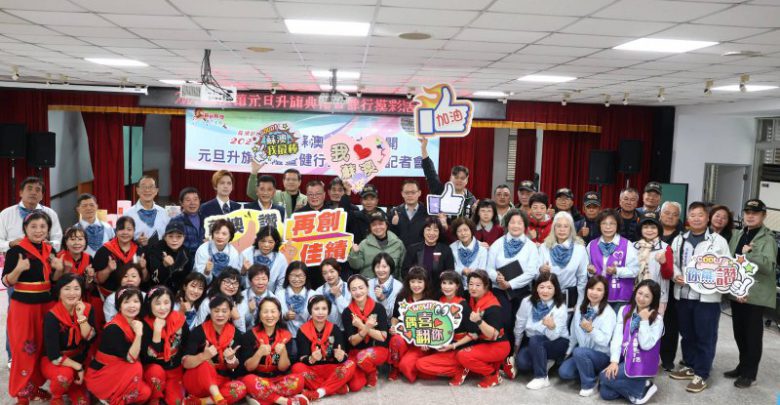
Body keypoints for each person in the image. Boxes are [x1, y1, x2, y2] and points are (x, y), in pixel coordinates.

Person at [2, 211, 64, 404]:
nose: (38, 230)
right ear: (25, 229)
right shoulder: (15, 251)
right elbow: (7, 281)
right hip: (23, 307)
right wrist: (18, 269)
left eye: (43, 226)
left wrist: (59, 269)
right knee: (23, 349)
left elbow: (53, 280)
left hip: (46, 305)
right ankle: (22, 394)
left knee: (42, 347)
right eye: (33, 226)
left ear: (48, 229)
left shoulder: (50, 250)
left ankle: (33, 388)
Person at [668, 202, 730, 392]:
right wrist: (675, 275)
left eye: (700, 215)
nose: (696, 218)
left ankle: (702, 374)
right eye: (692, 215)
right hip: (684, 295)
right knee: (687, 335)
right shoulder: (679, 239)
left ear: (707, 218)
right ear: (688, 218)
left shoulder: (718, 241)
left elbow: (726, 266)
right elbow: (673, 263)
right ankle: (690, 365)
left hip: (707, 299)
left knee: (705, 336)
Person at [726, 198, 777, 389]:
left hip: (755, 295)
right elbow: (730, 259)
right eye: (747, 212)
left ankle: (750, 374)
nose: (750, 216)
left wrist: (750, 254)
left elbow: (768, 267)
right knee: (739, 333)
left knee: (752, 336)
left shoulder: (768, 239)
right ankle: (742, 366)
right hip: (737, 291)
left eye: (755, 213)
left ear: (763, 216)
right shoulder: (739, 233)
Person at [599, 280, 663, 405]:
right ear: (635, 292)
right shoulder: (624, 310)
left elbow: (646, 345)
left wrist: (644, 321)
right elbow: (617, 336)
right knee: (605, 393)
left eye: (647, 296)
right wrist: (614, 361)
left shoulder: (657, 319)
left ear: (653, 299)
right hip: (626, 358)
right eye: (640, 293)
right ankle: (641, 387)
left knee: (603, 377)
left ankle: (639, 389)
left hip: (642, 362)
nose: (642, 298)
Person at [86, 287, 152, 404]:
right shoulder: (113, 328)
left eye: (136, 301)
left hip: (122, 373)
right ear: (119, 306)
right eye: (127, 302)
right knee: (136, 367)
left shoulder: (138, 322)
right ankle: (114, 400)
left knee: (145, 392)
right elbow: (131, 358)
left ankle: (120, 398)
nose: (132, 305)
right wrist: (138, 334)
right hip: (103, 376)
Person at [487, 209, 540, 353]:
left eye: (519, 223)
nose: (516, 226)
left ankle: (518, 354)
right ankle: (505, 354)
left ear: (525, 226)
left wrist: (510, 284)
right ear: (507, 224)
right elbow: (489, 268)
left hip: (521, 291)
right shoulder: (497, 244)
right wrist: (497, 277)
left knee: (520, 322)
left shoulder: (531, 246)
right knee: (505, 321)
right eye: (512, 222)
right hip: (500, 290)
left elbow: (531, 272)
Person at [239, 297, 308, 405]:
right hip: (257, 378)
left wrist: (283, 352)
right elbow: (249, 368)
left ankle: (262, 397)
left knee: (299, 379)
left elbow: (283, 368)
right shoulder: (249, 335)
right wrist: (259, 353)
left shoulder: (286, 335)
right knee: (248, 380)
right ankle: (284, 401)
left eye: (273, 311)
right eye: (265, 312)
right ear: (259, 314)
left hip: (277, 379)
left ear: (279, 314)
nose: (269, 315)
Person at [182, 294, 247, 405]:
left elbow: (235, 370)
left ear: (230, 313)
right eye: (216, 311)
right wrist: (202, 356)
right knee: (205, 364)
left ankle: (202, 402)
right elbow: (185, 363)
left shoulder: (236, 334)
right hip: (197, 381)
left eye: (224, 311)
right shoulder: (198, 331)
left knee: (241, 388)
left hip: (221, 381)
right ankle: (219, 400)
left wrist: (231, 360)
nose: (220, 314)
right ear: (210, 311)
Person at [414, 271, 477, 385]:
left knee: (421, 365)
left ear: (457, 286)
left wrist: (453, 346)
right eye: (444, 283)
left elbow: (473, 334)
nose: (447, 287)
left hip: (458, 348)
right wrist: (426, 341)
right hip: (441, 345)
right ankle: (462, 368)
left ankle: (463, 369)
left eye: (451, 283)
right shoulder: (439, 300)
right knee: (420, 368)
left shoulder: (463, 305)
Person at [558, 276, 617, 397]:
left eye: (599, 290)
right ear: (586, 290)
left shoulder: (609, 313)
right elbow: (574, 334)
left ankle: (589, 384)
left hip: (601, 356)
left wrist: (591, 330)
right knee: (564, 372)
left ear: (605, 293)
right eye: (591, 288)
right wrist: (567, 352)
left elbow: (605, 341)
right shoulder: (581, 308)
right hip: (582, 354)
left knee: (579, 352)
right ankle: (591, 372)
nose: (594, 292)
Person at [42, 273, 96, 405]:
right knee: (65, 376)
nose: (72, 293)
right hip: (57, 362)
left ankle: (73, 388)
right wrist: (78, 367)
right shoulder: (52, 316)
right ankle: (57, 397)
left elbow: (90, 339)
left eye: (76, 288)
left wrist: (81, 317)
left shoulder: (88, 309)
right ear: (59, 292)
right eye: (67, 288)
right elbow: (53, 356)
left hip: (81, 358)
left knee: (83, 401)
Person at [291, 296, 357, 401]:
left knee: (350, 364)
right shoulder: (303, 330)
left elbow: (343, 354)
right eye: (316, 309)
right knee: (296, 367)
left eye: (324, 309)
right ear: (310, 311)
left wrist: (341, 357)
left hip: (332, 369)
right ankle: (335, 388)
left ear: (328, 311)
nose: (320, 312)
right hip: (313, 370)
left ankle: (318, 393)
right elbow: (302, 357)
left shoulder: (334, 329)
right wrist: (311, 358)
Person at [512, 273, 570, 390]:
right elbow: (520, 324)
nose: (545, 291)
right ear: (536, 288)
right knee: (522, 363)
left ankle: (541, 377)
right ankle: (545, 361)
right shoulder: (527, 302)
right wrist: (516, 347)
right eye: (542, 287)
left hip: (557, 342)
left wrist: (551, 327)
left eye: (549, 288)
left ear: (555, 289)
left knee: (536, 340)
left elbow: (554, 336)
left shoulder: (560, 307)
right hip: (534, 343)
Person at [455, 270, 511, 388]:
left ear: (486, 287)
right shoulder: (471, 297)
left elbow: (493, 334)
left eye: (478, 285)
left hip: (497, 344)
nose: (473, 288)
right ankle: (500, 363)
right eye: (470, 284)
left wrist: (479, 321)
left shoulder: (493, 307)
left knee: (463, 356)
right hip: (481, 341)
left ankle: (493, 375)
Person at [141, 286, 189, 405]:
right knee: (155, 373)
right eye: (157, 303)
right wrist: (157, 332)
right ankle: (155, 397)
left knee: (176, 402)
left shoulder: (179, 319)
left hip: (175, 369)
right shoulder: (143, 324)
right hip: (154, 369)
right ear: (149, 304)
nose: (163, 308)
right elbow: (148, 357)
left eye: (166, 302)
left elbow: (187, 343)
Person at [342, 274, 389, 392]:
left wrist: (362, 326)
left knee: (362, 358)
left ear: (367, 288)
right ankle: (365, 370)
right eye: (354, 289)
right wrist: (366, 328)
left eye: (361, 288)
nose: (358, 292)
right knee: (355, 385)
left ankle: (372, 372)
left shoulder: (378, 308)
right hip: (356, 351)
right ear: (349, 291)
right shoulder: (347, 312)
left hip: (377, 349)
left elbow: (382, 337)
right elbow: (352, 341)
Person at [388, 266, 434, 382]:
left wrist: (427, 340)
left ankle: (406, 364)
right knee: (395, 339)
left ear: (425, 283)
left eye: (420, 281)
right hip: (404, 337)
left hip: (420, 342)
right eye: (413, 281)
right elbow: (395, 317)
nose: (416, 285)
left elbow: (434, 324)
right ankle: (395, 367)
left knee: (407, 367)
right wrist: (393, 326)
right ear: (408, 282)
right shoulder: (402, 297)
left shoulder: (431, 299)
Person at [586, 209, 639, 310]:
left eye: (612, 223)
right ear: (599, 225)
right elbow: (587, 270)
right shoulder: (591, 245)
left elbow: (635, 270)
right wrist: (590, 271)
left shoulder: (627, 245)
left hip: (620, 297)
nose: (608, 227)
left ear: (617, 225)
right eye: (604, 223)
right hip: (597, 296)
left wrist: (616, 271)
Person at [538, 212, 588, 318]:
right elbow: (535, 276)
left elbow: (582, 279)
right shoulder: (544, 247)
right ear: (554, 228)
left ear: (571, 229)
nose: (562, 229)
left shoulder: (579, 249)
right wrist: (540, 270)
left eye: (566, 226)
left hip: (570, 302)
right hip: (546, 299)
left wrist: (580, 303)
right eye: (559, 226)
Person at [0, 176, 63, 252]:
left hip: (43, 255)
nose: (33, 193)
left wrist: (50, 244)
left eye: (37, 190)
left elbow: (57, 240)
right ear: (21, 193)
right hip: (13, 256)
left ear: (42, 196)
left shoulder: (51, 213)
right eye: (29, 189)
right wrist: (10, 244)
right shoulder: (5, 214)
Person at [420, 137, 477, 219]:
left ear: (467, 180)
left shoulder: (471, 199)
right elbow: (430, 172)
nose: (459, 180)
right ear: (450, 178)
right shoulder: (440, 191)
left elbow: (473, 222)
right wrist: (423, 148)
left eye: (462, 178)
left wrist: (475, 212)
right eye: (456, 177)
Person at [57, 227, 102, 329]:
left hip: (84, 300)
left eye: (80, 239)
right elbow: (55, 285)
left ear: (85, 242)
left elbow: (88, 287)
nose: (77, 243)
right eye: (72, 239)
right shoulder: (59, 258)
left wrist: (89, 278)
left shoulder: (89, 258)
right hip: (64, 302)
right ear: (66, 242)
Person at [93, 216, 145, 300]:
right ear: (116, 231)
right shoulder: (104, 251)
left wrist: (144, 268)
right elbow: (97, 280)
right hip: (109, 298)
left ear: (134, 231)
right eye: (121, 229)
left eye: (129, 229)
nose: (125, 232)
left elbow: (145, 279)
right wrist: (108, 269)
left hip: (133, 298)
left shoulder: (139, 251)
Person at [658, 201, 683, 371]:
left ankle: (667, 359)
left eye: (674, 214)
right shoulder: (651, 230)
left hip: (673, 287)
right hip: (651, 286)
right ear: (660, 214)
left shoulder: (682, 237)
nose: (670, 217)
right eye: (667, 213)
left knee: (671, 325)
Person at [633, 213, 674, 315]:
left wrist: (663, 263)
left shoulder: (665, 248)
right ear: (640, 229)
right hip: (635, 294)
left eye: (653, 227)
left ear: (659, 229)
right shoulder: (632, 247)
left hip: (657, 297)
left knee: (653, 323)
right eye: (645, 227)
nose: (649, 230)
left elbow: (668, 275)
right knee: (633, 322)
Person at [348, 212, 406, 279]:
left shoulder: (398, 243)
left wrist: (400, 283)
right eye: (374, 225)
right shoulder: (363, 244)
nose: (378, 227)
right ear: (370, 227)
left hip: (391, 283)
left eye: (380, 224)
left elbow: (402, 267)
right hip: (368, 282)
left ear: (386, 225)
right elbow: (356, 266)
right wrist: (354, 254)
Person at [402, 216, 454, 285]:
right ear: (423, 231)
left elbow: (450, 274)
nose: (431, 233)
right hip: (416, 288)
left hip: (438, 289)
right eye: (428, 229)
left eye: (435, 230)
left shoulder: (446, 250)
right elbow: (405, 272)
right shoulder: (412, 249)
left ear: (439, 233)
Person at [195, 268, 249, 332]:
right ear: (219, 281)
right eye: (227, 282)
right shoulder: (208, 302)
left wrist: (236, 318)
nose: (231, 286)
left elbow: (242, 332)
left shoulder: (239, 303)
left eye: (235, 283)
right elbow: (199, 328)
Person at [145, 221, 192, 292]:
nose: (174, 240)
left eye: (179, 237)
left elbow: (186, 279)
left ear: (184, 238)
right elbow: (154, 279)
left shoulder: (186, 253)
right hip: (157, 291)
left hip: (178, 292)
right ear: (165, 237)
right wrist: (164, 265)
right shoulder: (155, 249)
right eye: (170, 236)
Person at [240, 226, 287, 293]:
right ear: (257, 240)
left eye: (270, 242)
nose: (266, 245)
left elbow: (281, 284)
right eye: (263, 241)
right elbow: (237, 282)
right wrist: (243, 272)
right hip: (247, 295)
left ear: (276, 242)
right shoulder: (246, 254)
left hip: (270, 297)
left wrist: (274, 298)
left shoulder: (281, 259)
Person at [125, 176, 170, 246]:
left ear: (156, 191)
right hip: (137, 251)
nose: (147, 190)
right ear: (137, 190)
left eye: (151, 187)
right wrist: (136, 241)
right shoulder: (128, 214)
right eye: (143, 187)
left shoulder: (164, 213)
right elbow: (122, 238)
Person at [194, 219, 241, 283]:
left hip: (226, 285)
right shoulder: (203, 249)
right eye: (217, 233)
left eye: (224, 234)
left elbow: (233, 277)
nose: (219, 237)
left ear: (230, 236)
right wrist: (206, 272)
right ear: (212, 234)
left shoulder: (233, 253)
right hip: (203, 284)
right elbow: (198, 277)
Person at [277, 262, 315, 341]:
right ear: (288, 276)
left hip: (308, 336)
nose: (297, 279)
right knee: (279, 351)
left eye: (300, 276)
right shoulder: (279, 294)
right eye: (293, 275)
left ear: (306, 277)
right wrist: (285, 317)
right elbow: (274, 316)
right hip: (284, 337)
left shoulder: (313, 295)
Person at [450, 217, 490, 286]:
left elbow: (483, 271)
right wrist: (462, 271)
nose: (463, 233)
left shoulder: (482, 248)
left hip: (477, 286)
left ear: (471, 230)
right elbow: (451, 268)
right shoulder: (452, 248)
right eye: (459, 231)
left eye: (465, 230)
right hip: (457, 286)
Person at [389, 179, 428, 247]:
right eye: (407, 192)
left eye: (413, 192)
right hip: (400, 251)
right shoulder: (394, 212)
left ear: (419, 193)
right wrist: (393, 225)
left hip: (420, 251)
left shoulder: (427, 212)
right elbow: (389, 236)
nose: (410, 195)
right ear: (402, 194)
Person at [314, 258, 351, 330]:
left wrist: (338, 295)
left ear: (338, 271)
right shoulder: (319, 291)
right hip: (327, 330)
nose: (329, 275)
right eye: (325, 273)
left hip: (347, 330)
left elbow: (348, 313)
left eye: (332, 271)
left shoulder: (348, 287)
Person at [170, 187, 205, 257]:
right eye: (188, 200)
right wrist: (203, 244)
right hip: (185, 260)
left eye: (195, 199)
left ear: (199, 201)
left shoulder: (205, 218)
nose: (192, 203)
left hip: (204, 259)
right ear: (181, 203)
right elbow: (174, 245)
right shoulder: (176, 221)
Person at [367, 253, 403, 319]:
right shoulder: (369, 284)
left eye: (384, 267)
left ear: (390, 268)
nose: (380, 270)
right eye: (377, 267)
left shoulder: (398, 287)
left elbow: (392, 314)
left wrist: (382, 299)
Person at [243, 265, 277, 329]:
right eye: (257, 279)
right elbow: (240, 323)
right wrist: (250, 312)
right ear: (250, 281)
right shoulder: (242, 296)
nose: (260, 282)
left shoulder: (273, 298)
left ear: (268, 280)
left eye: (264, 279)